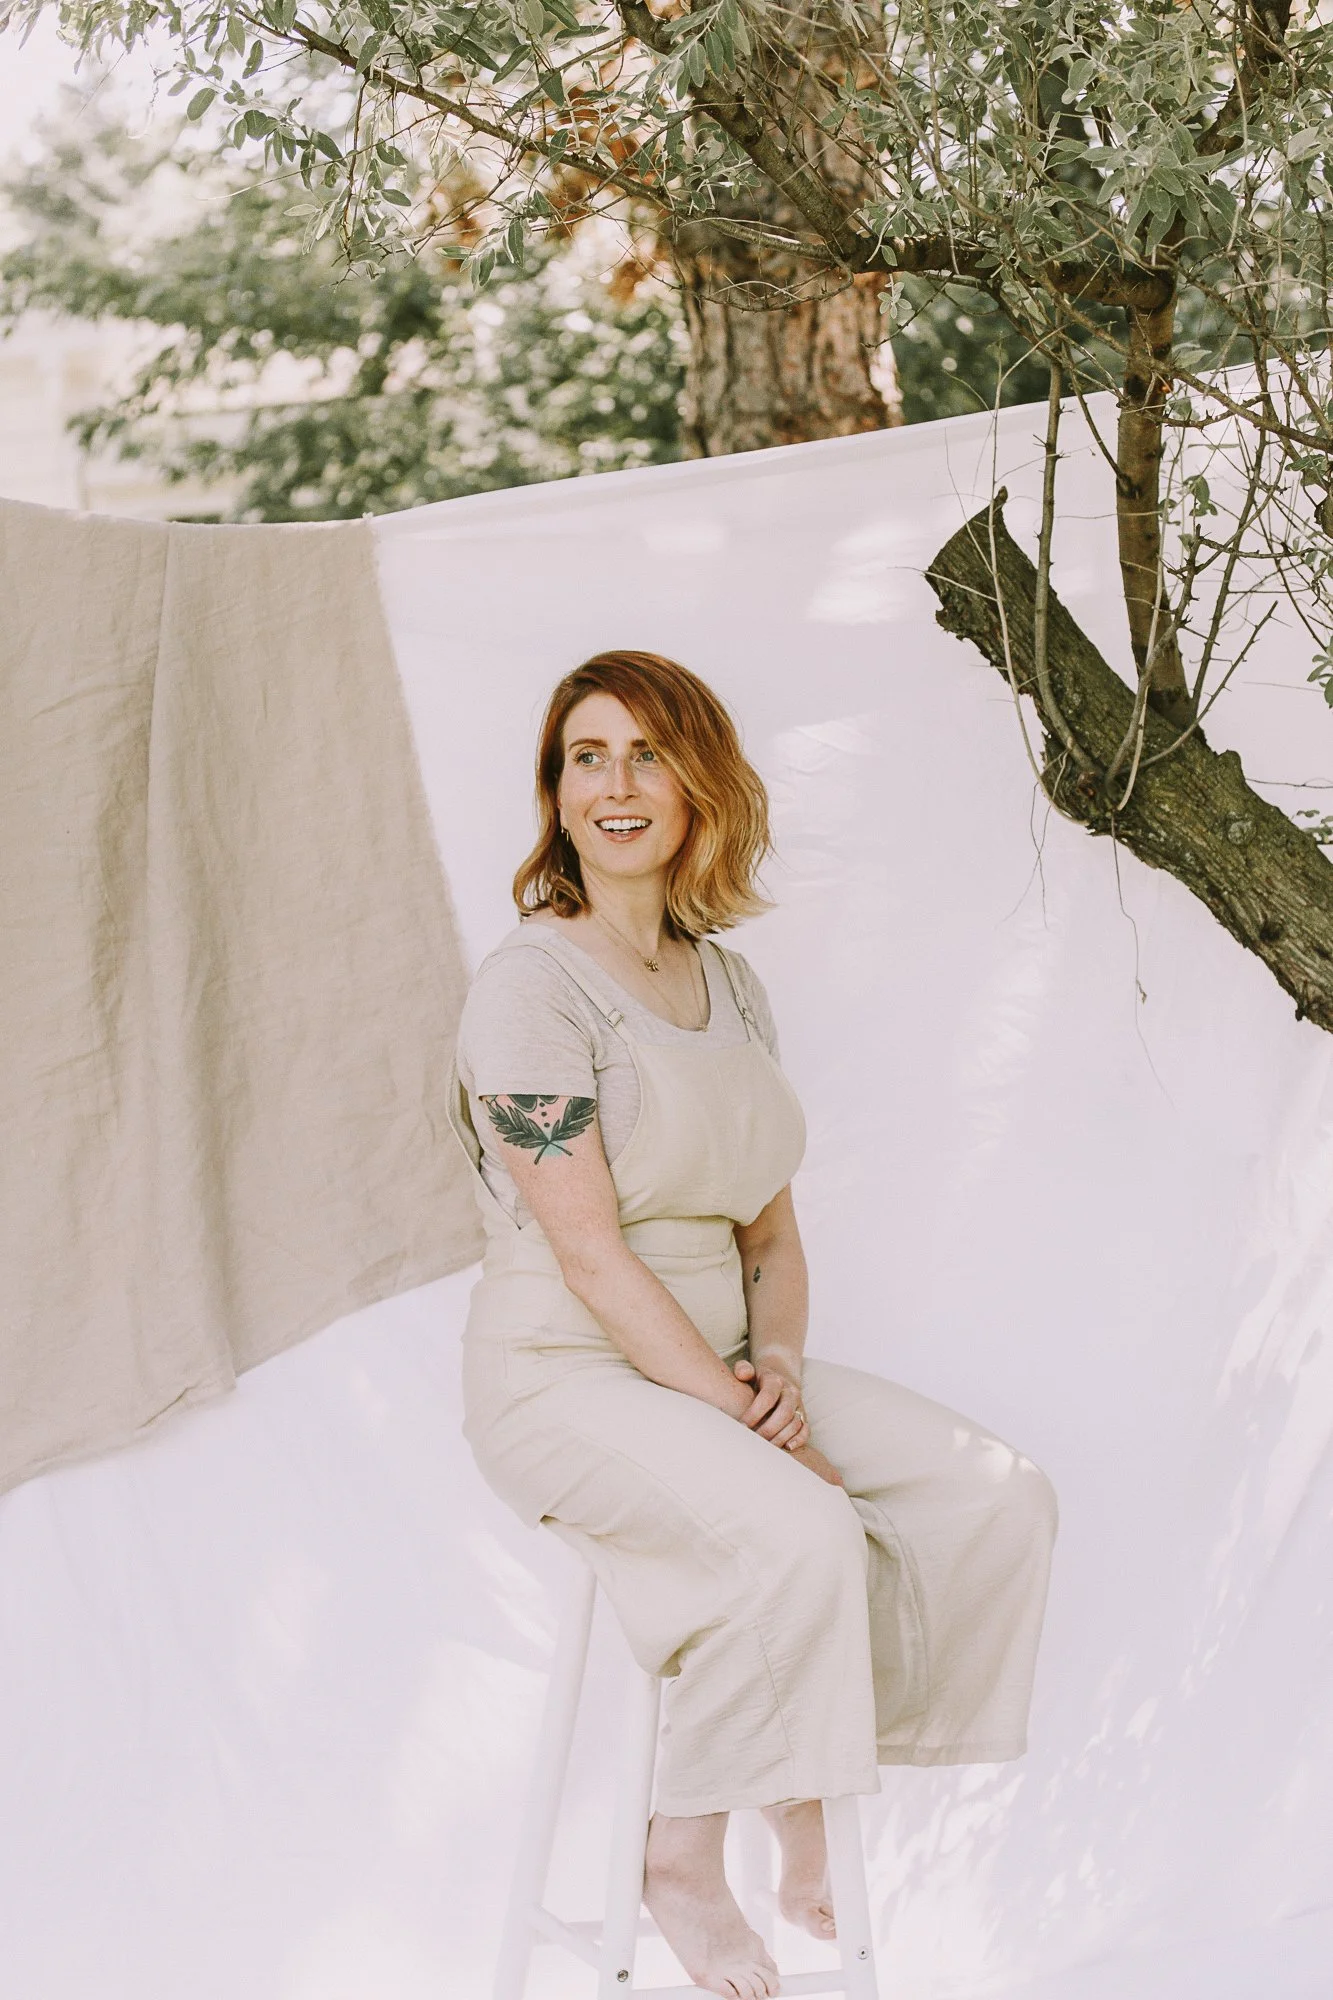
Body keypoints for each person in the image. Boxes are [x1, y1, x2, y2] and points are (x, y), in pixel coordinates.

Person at [447, 651, 1058, 2000]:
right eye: (586, 756)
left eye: (648, 754)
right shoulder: (530, 989)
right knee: (800, 1524)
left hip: (719, 1366)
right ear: (555, 791)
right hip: (566, 1379)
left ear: (699, 785)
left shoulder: (730, 985)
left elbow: (770, 1236)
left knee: (993, 1497)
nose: (615, 785)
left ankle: (806, 1774)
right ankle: (682, 1849)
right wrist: (751, 1426)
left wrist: (774, 1367)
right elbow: (591, 1256)